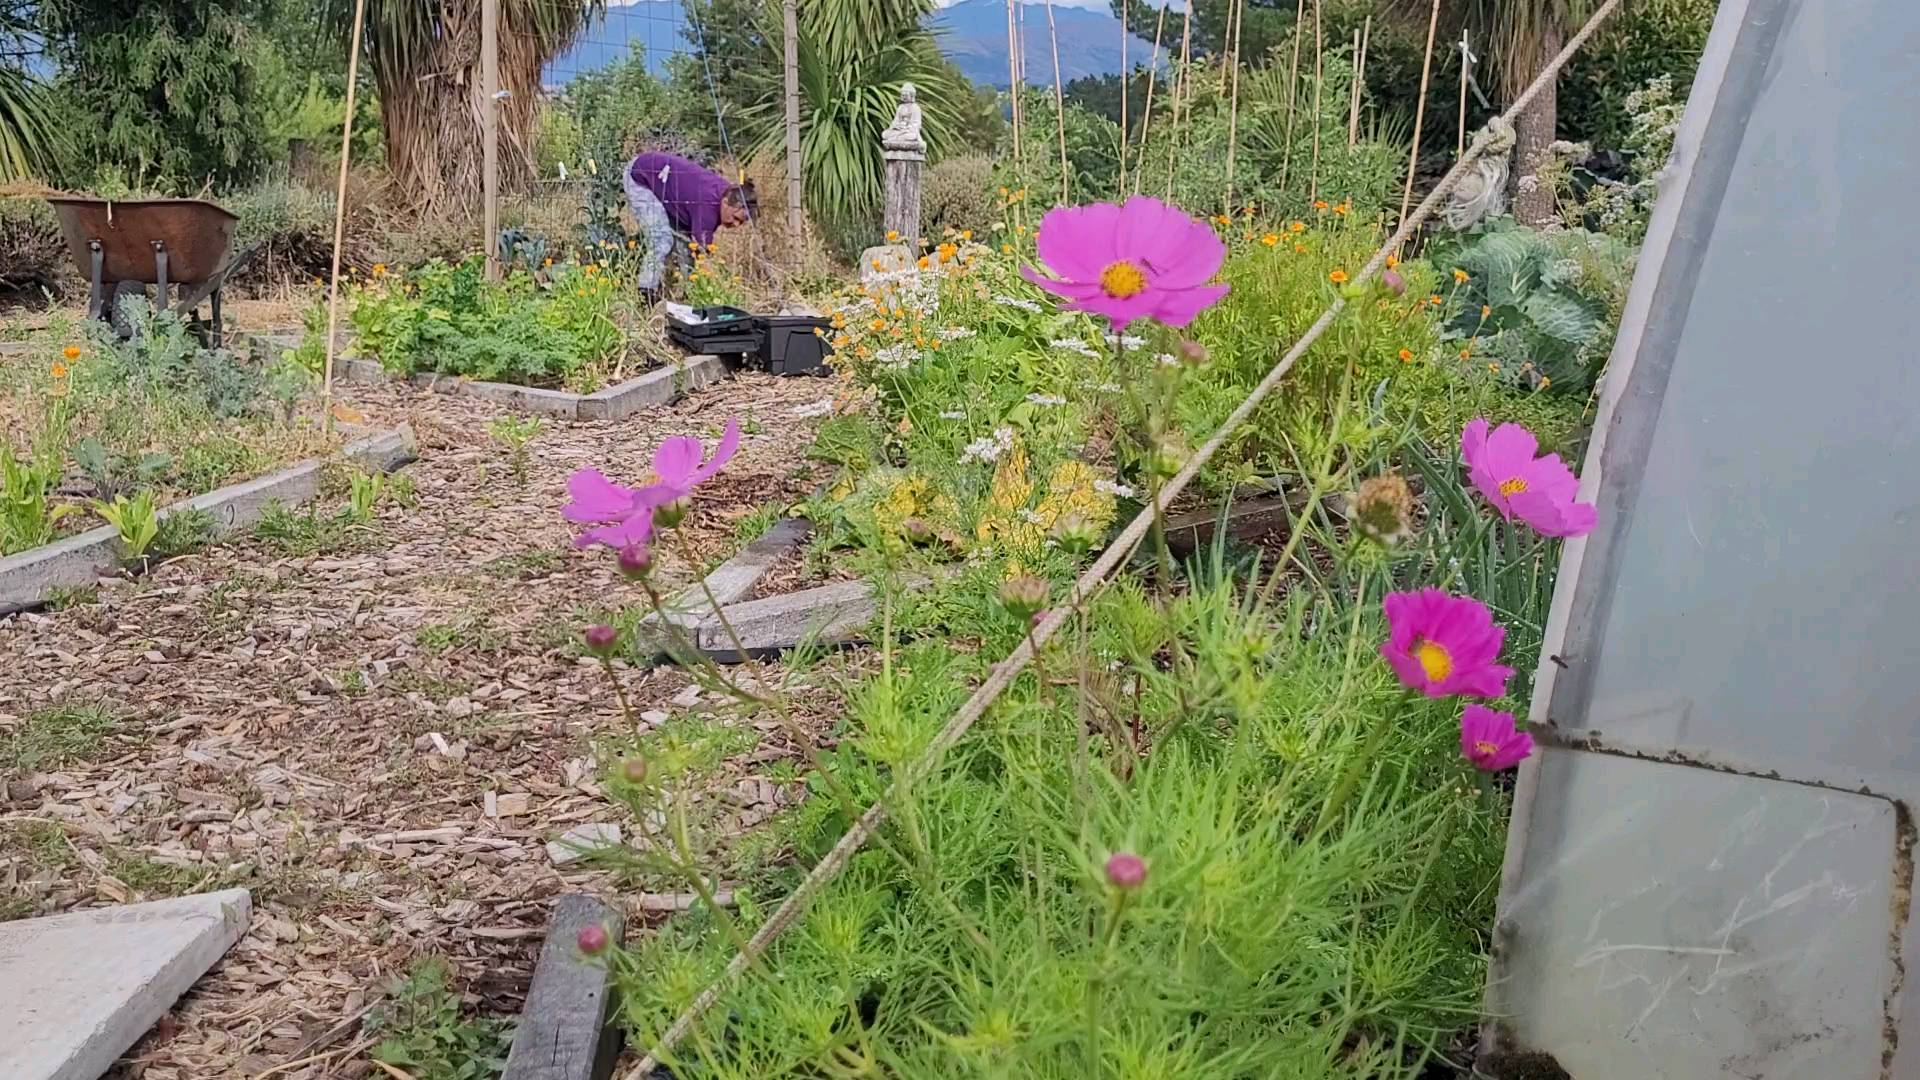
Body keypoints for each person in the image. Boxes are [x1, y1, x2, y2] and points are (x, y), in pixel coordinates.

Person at [622, 151, 756, 301]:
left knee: (684, 248)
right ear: (725, 203)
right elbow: (702, 254)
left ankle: (685, 295)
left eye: (741, 222)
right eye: (736, 218)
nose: (736, 225)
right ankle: (645, 294)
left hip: (664, 185)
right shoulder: (707, 206)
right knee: (661, 240)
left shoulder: (728, 194)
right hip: (641, 177)